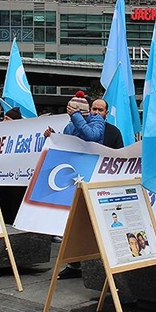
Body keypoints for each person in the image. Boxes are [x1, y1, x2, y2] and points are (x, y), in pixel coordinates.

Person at [52, 97, 123, 279]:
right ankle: (74, 264)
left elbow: (120, 158)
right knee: (76, 223)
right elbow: (65, 144)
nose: (96, 112)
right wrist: (52, 137)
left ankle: (102, 264)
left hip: (101, 185)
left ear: (106, 113)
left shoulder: (114, 132)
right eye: (94, 109)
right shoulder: (76, 126)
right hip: (78, 181)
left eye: (100, 110)